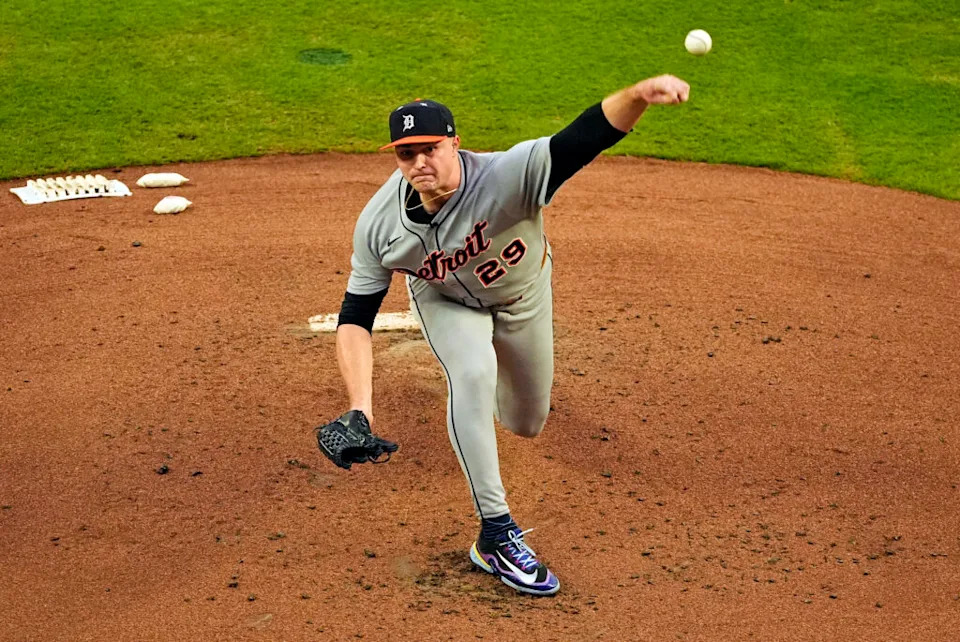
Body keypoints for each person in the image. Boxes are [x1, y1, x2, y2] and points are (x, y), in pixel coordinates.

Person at [333, 74, 690, 596]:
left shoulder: (507, 174)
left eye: (429, 148)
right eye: (405, 154)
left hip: (523, 296)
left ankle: (481, 411)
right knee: (472, 373)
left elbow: (584, 137)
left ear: (454, 141)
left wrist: (637, 96)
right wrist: (359, 406)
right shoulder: (378, 224)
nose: (419, 164)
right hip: (445, 302)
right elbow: (355, 316)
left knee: (526, 421)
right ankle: (496, 535)